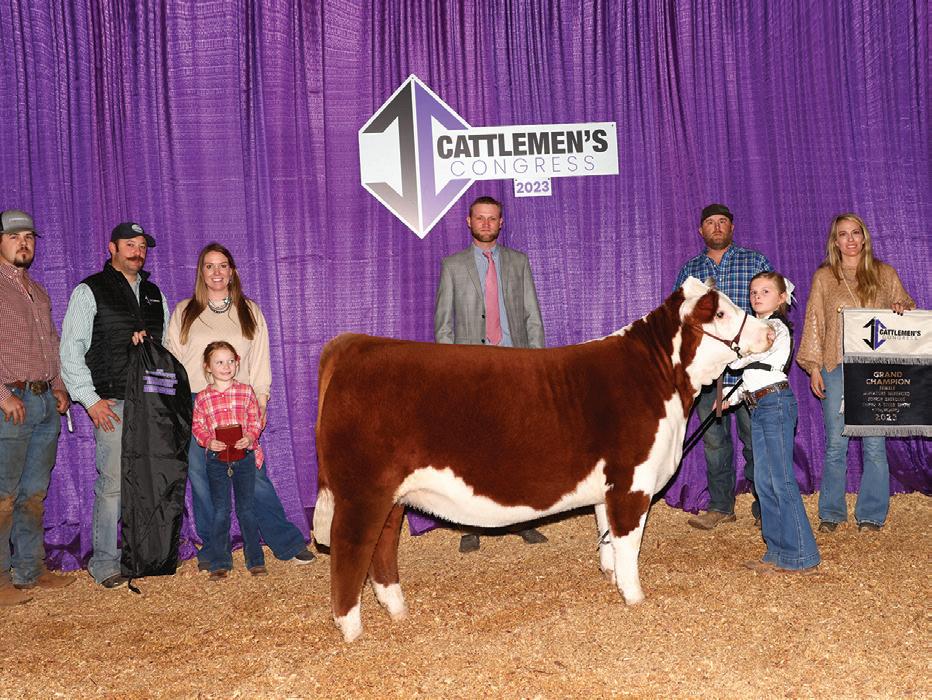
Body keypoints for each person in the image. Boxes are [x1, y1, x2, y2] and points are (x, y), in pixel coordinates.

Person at [166, 243, 314, 568]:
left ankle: (286, 543)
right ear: (201, 272)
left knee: (254, 476)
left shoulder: (249, 311)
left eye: (222, 266)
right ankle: (214, 552)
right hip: (196, 404)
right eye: (209, 266)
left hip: (239, 402)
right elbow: (171, 361)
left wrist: (260, 403)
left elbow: (260, 363)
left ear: (232, 271)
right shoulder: (184, 312)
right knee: (202, 478)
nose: (216, 272)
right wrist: (176, 408)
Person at [434, 195, 548, 553]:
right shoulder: (452, 266)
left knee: (519, 446)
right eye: (480, 218)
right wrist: (452, 369)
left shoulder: (518, 262)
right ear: (468, 222)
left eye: (492, 218)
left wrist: (538, 364)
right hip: (472, 370)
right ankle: (471, 524)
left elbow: (532, 315)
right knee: (472, 448)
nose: (486, 223)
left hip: (515, 365)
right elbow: (443, 324)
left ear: (501, 223)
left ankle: (522, 519)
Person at [60, 222, 170, 589]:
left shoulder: (155, 294)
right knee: (113, 485)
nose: (137, 251)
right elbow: (70, 351)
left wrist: (164, 402)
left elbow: (164, 351)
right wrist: (90, 401)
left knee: (147, 482)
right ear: (112, 248)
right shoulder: (89, 290)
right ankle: (105, 562)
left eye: (142, 246)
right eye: (129, 244)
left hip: (149, 405)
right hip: (114, 403)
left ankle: (142, 554)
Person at [797, 213, 915, 532]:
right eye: (842, 234)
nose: (850, 240)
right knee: (836, 443)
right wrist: (813, 367)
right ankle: (831, 513)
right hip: (836, 366)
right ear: (835, 242)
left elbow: (904, 310)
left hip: (875, 370)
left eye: (855, 233)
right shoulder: (824, 277)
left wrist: (903, 306)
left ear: (864, 237)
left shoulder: (884, 273)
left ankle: (871, 514)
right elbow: (815, 322)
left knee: (874, 444)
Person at [674, 203, 773, 530]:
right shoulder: (690, 272)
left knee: (753, 439)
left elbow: (771, 310)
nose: (716, 227)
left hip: (747, 370)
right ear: (701, 231)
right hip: (707, 372)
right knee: (714, 443)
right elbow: (679, 321)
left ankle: (765, 505)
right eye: (710, 223)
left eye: (722, 222)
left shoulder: (755, 261)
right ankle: (720, 505)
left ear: (731, 227)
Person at [0, 209, 74, 605]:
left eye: (28, 236)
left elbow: (51, 340)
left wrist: (59, 387)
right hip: (10, 401)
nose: (23, 243)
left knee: (33, 492)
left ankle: (30, 570)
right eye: (14, 236)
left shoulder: (38, 291)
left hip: (43, 400)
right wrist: (2, 395)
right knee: (3, 494)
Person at [726, 272, 820, 574]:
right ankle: (777, 551)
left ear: (782, 299)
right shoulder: (758, 329)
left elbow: (755, 360)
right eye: (753, 292)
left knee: (780, 480)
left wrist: (732, 356)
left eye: (765, 291)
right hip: (760, 405)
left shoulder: (775, 328)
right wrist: (732, 398)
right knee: (765, 482)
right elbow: (751, 376)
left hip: (776, 404)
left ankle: (803, 554)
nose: (757, 297)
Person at [191, 342, 266, 579]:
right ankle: (221, 562)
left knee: (247, 509)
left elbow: (254, 421)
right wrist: (208, 441)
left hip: (243, 457)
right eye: (219, 362)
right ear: (208, 367)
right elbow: (197, 426)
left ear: (237, 363)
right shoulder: (202, 398)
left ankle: (255, 560)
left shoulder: (246, 391)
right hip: (216, 459)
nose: (226, 366)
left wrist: (250, 437)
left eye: (230, 361)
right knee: (221, 510)